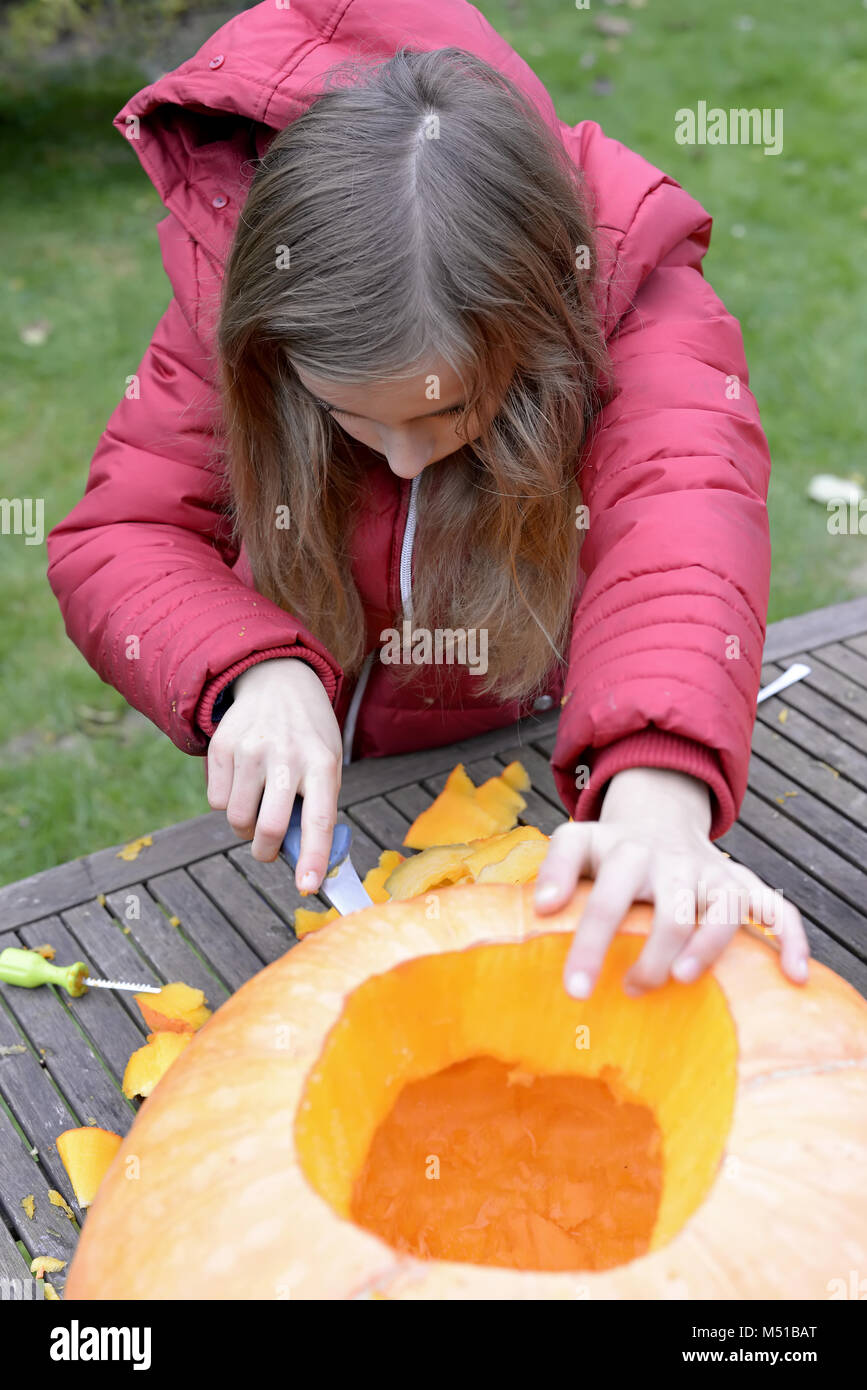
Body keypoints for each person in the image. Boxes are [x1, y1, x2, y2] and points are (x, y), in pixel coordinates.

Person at [46, 0, 808, 997]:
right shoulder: (240, 293)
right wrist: (250, 668)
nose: (404, 464)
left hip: (553, 743)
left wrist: (655, 786)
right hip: (349, 767)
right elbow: (124, 532)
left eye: (447, 417)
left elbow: (684, 520)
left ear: (537, 332)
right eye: (357, 416)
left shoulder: (638, 292)